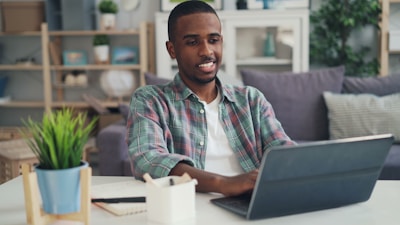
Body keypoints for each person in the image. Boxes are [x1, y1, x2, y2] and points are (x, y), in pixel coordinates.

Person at [127, 1, 295, 197]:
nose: (206, 51)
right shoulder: (150, 100)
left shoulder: (251, 100)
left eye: (213, 40)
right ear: (172, 50)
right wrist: (223, 183)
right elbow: (147, 159)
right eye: (192, 42)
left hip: (251, 203)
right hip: (189, 205)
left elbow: (283, 152)